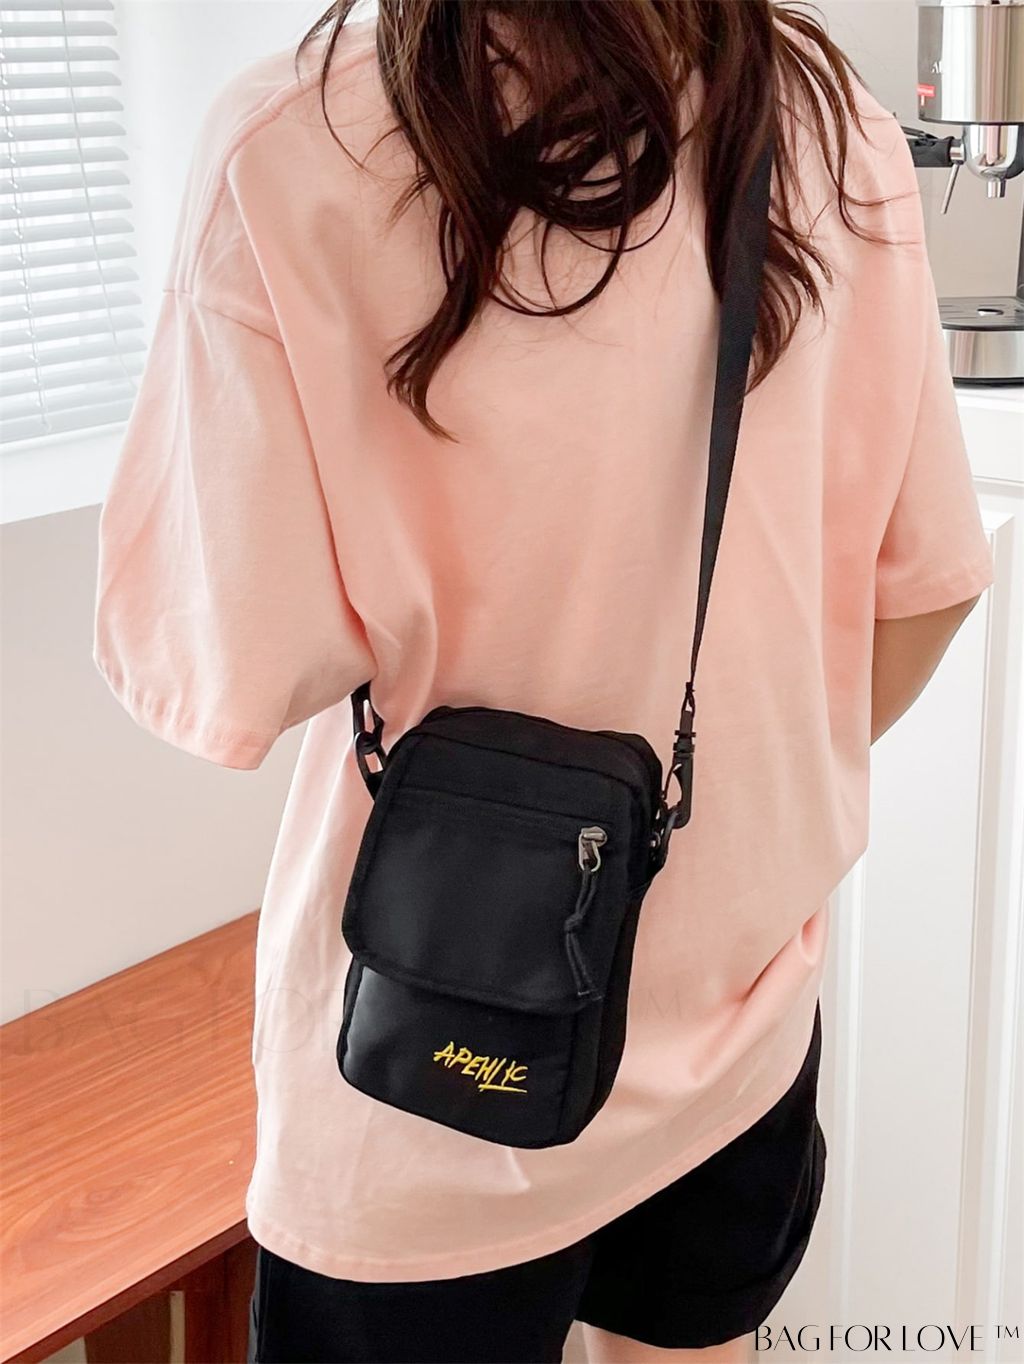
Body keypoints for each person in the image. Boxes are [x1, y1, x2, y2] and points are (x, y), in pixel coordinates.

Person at [91, 3, 995, 1360]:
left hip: (430, 1060)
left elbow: (228, 661)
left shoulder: (299, 143)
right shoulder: (822, 120)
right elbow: (927, 588)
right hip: (738, 1015)